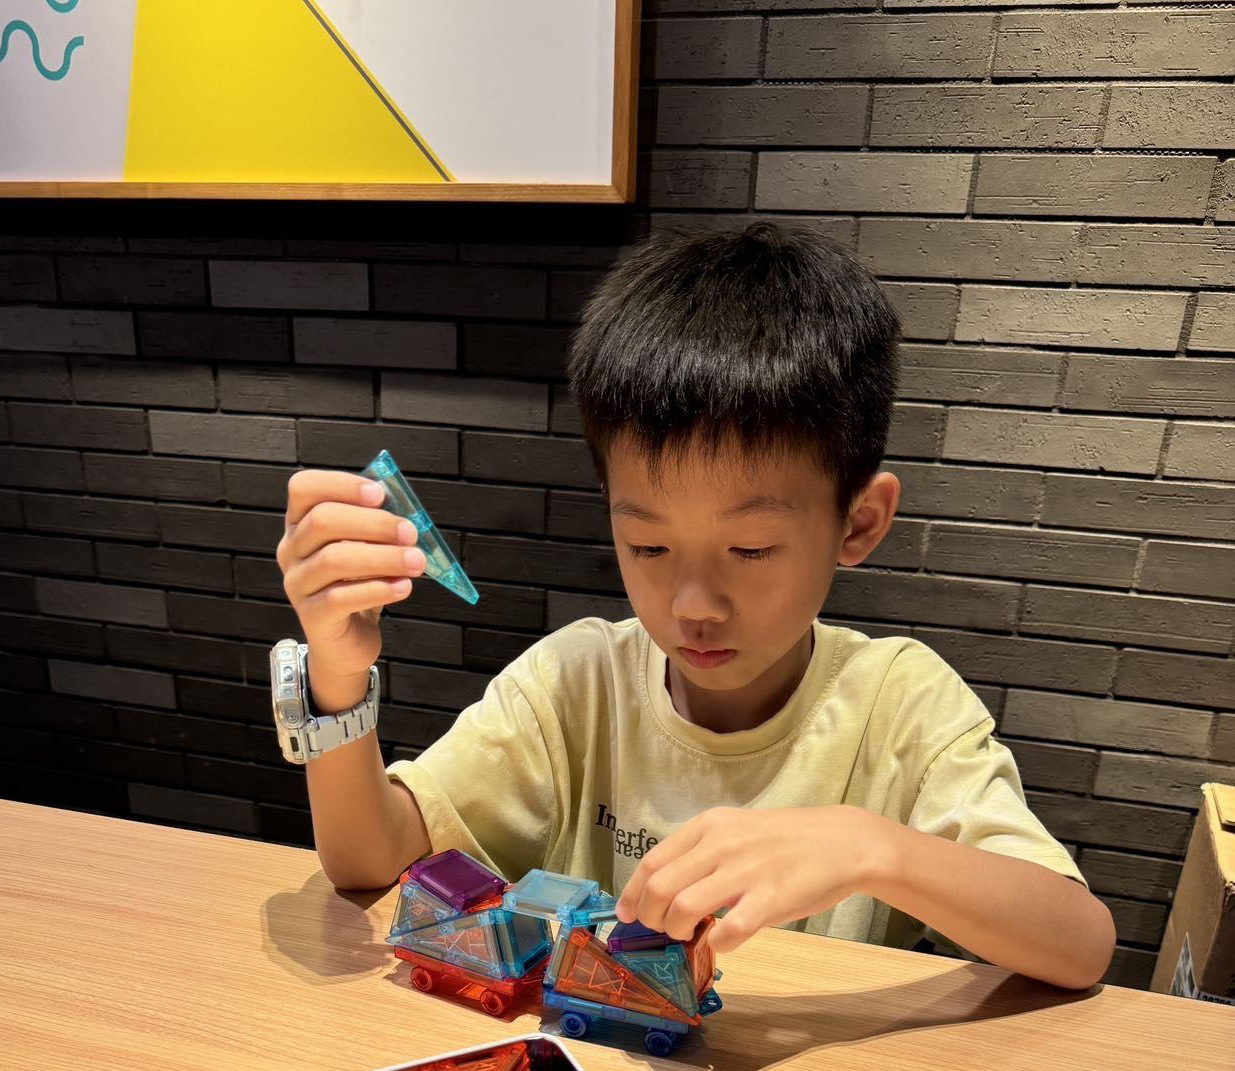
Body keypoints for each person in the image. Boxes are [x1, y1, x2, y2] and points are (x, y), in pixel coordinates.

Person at [273, 223, 1114, 990]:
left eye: (750, 550)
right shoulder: (576, 684)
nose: (693, 605)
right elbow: (368, 861)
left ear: (858, 523)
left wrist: (874, 849)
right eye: (648, 547)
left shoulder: (900, 704)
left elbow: (1079, 942)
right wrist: (337, 676)